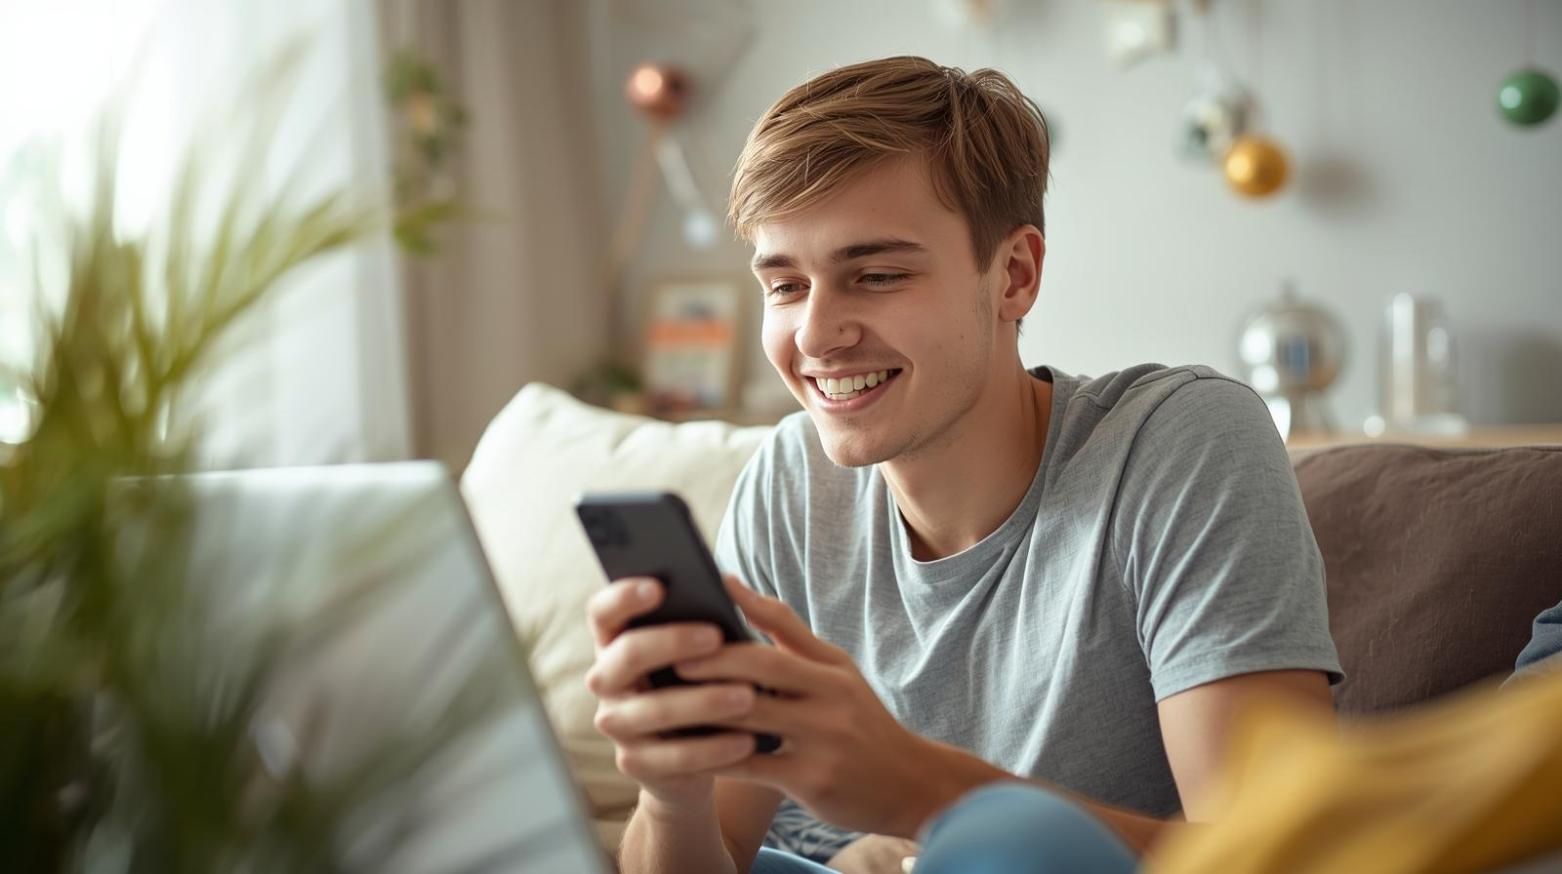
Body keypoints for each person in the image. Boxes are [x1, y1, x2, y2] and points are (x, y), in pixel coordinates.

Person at [585, 55, 1342, 873]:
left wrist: (918, 791)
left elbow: (1286, 855)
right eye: (786, 286)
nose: (814, 335)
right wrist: (673, 793)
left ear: (1014, 275)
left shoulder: (1177, 443)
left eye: (875, 275)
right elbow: (717, 851)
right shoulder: (791, 481)